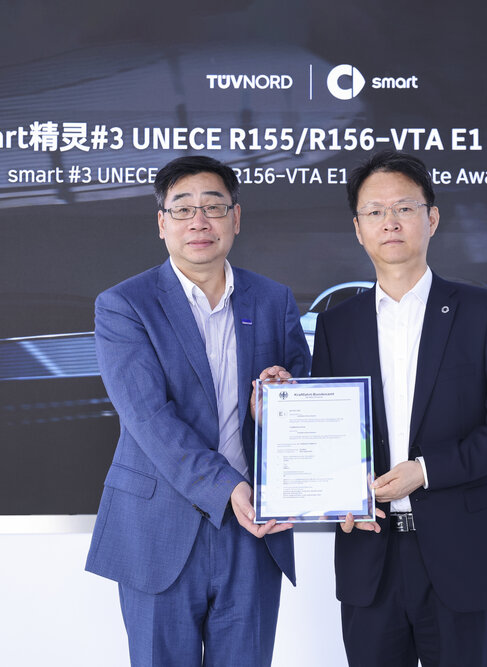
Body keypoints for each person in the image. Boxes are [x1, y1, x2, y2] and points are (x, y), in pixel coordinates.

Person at [310, 151, 487, 667]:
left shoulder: (484, 311)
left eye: (404, 208)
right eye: (374, 211)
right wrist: (334, 495)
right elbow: (330, 435)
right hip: (370, 555)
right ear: (358, 229)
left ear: (431, 218)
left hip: (462, 553)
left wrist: (426, 471)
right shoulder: (337, 325)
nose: (389, 222)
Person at [85, 155, 310, 666]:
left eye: (213, 206)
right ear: (161, 222)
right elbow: (148, 418)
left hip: (254, 529)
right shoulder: (124, 305)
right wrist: (226, 487)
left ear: (236, 217)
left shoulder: (273, 300)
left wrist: (279, 404)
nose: (199, 221)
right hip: (158, 528)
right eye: (183, 209)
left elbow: (301, 402)